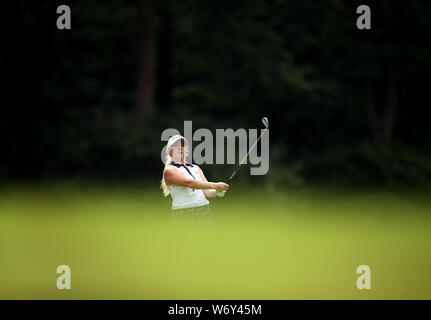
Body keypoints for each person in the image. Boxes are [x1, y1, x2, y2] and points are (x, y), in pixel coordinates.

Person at [160, 135, 229, 223]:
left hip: (204, 209)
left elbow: (207, 192)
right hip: (184, 212)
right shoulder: (169, 170)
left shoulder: (196, 168)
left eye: (182, 145)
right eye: (176, 146)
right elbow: (190, 183)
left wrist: (217, 191)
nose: (180, 148)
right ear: (169, 151)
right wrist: (216, 185)